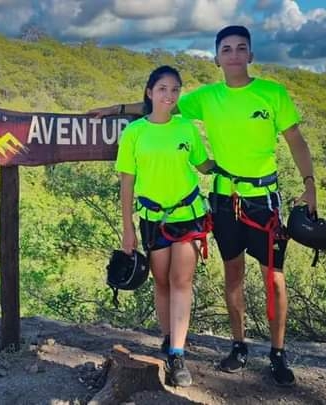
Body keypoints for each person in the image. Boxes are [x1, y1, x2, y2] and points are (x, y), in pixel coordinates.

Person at [91, 25, 316, 387]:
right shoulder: (206, 97)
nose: (234, 55)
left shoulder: (272, 94)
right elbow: (160, 105)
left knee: (274, 279)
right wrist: (116, 109)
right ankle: (238, 346)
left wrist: (310, 185)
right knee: (232, 274)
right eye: (226, 49)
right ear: (216, 58)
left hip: (263, 198)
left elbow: (296, 141)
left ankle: (278, 352)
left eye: (240, 48)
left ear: (250, 55)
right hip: (224, 199)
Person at [115, 65, 214, 387]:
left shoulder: (186, 128)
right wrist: (127, 228)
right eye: (162, 89)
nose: (169, 95)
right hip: (152, 218)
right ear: (149, 92)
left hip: (188, 214)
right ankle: (169, 337)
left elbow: (203, 164)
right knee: (161, 281)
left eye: (174, 90)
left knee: (181, 280)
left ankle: (177, 354)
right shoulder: (135, 132)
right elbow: (127, 182)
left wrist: (235, 161)